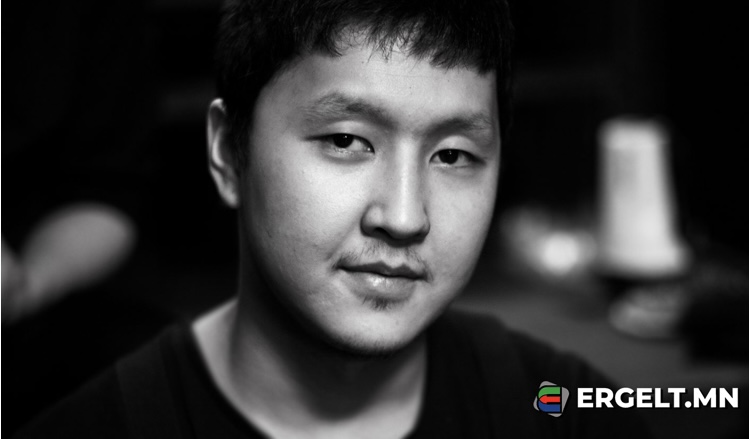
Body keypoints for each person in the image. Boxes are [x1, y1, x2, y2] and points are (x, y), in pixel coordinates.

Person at [14, 0, 652, 437]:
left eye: (453, 155)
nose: (404, 216)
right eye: (346, 141)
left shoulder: (568, 411)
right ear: (228, 152)